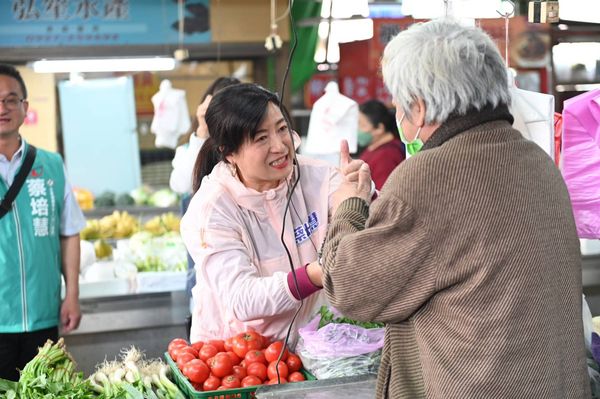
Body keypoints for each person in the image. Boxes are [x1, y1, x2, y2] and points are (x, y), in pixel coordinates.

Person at [315, 19, 590, 398]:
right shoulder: (535, 158)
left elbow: (349, 288)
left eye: (399, 98)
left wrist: (349, 205)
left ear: (421, 106)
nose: (396, 107)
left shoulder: (427, 176)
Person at [180, 83, 344, 344]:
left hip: (312, 348)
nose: (279, 146)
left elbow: (367, 226)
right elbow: (243, 299)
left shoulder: (319, 176)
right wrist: (316, 273)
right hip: (242, 359)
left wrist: (360, 193)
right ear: (228, 152)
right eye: (261, 138)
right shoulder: (212, 210)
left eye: (281, 129)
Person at [0, 64, 85, 381]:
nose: (3, 108)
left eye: (11, 99)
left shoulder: (51, 164)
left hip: (43, 315)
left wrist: (72, 294)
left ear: (24, 107)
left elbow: (69, 232)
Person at [169, 77, 240, 333]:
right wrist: (202, 130)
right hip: (204, 256)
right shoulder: (191, 147)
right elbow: (182, 183)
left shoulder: (244, 147)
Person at [357, 99, 404, 189]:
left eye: (362, 125)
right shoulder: (373, 147)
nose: (357, 130)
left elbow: (382, 194)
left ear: (379, 128)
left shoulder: (387, 156)